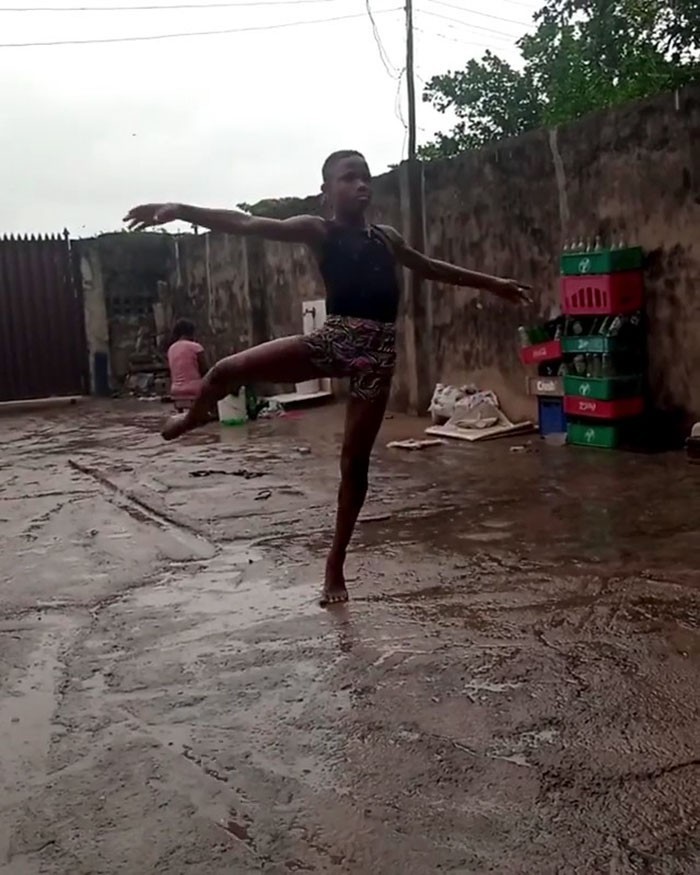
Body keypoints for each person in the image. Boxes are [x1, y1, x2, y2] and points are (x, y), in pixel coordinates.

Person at [124, 150, 531, 606]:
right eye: (348, 178)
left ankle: (335, 564)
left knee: (354, 466)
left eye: (365, 177)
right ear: (326, 192)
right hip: (333, 340)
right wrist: (182, 210)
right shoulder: (318, 230)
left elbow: (430, 267)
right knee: (224, 371)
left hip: (377, 357)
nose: (361, 185)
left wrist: (492, 283)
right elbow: (246, 223)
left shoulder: (387, 238)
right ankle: (194, 416)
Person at [167, 319, 208, 412]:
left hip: (175, 390)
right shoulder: (196, 347)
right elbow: (205, 371)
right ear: (191, 332)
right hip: (195, 389)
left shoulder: (171, 349)